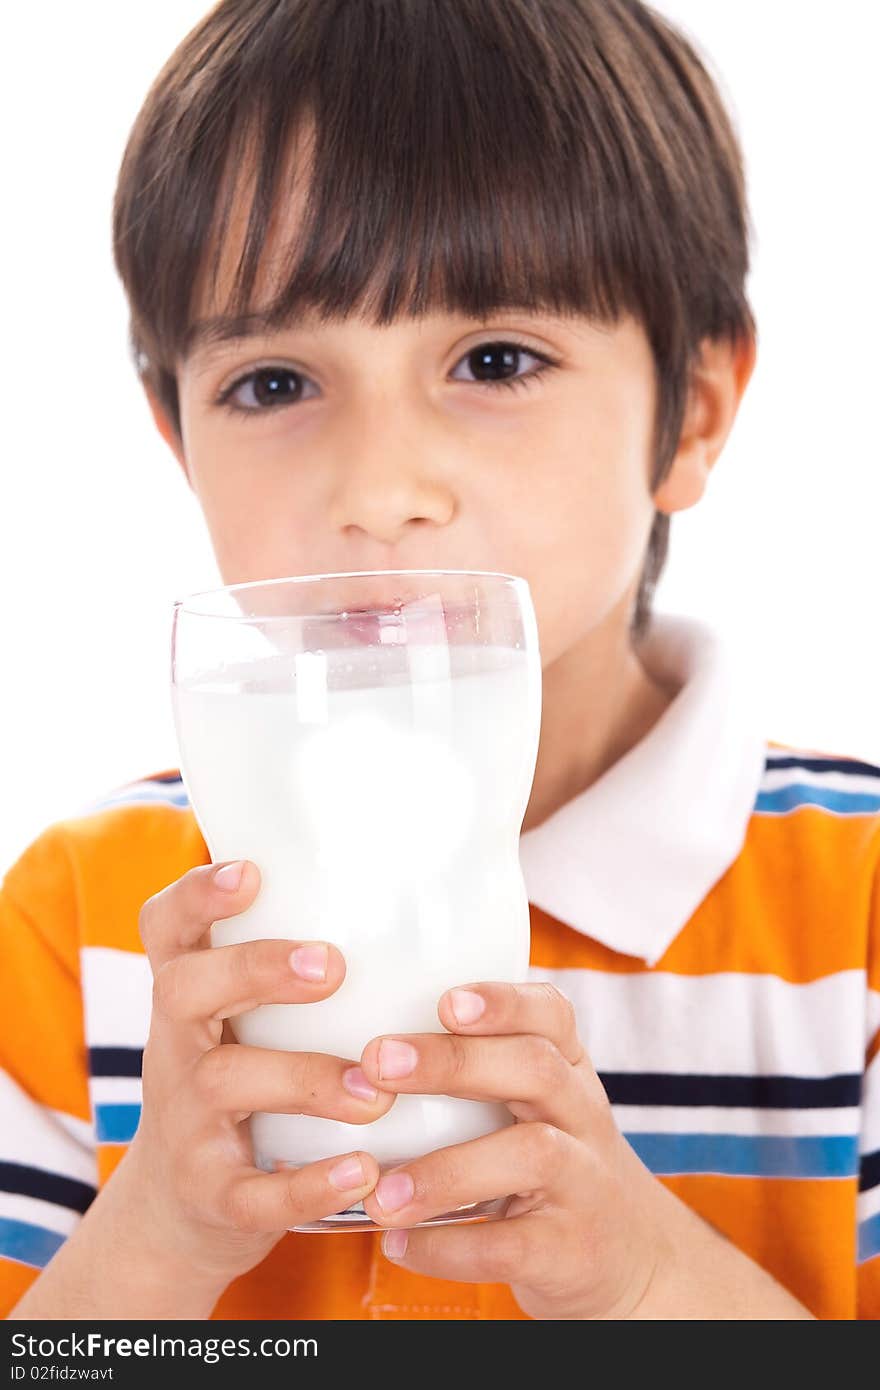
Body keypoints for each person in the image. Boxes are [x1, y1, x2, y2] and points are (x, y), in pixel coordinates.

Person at [2, 0, 877, 1321]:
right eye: (275, 385)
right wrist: (162, 1241)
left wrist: (643, 1275)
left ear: (692, 411)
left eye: (495, 358)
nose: (381, 488)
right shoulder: (86, 926)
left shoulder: (853, 917)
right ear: (178, 437)